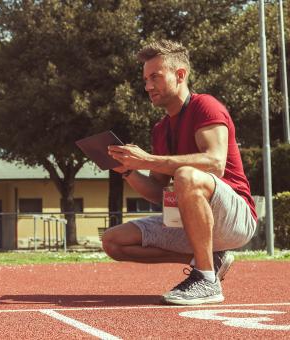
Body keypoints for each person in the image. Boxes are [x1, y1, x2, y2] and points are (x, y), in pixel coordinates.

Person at [102, 40, 257, 305]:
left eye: (155, 77)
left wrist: (149, 159)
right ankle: (208, 259)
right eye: (145, 79)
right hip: (190, 220)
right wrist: (128, 171)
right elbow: (157, 193)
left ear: (180, 74)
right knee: (112, 241)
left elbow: (215, 162)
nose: (148, 86)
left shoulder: (205, 106)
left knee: (186, 174)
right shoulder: (160, 129)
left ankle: (206, 280)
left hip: (234, 217)